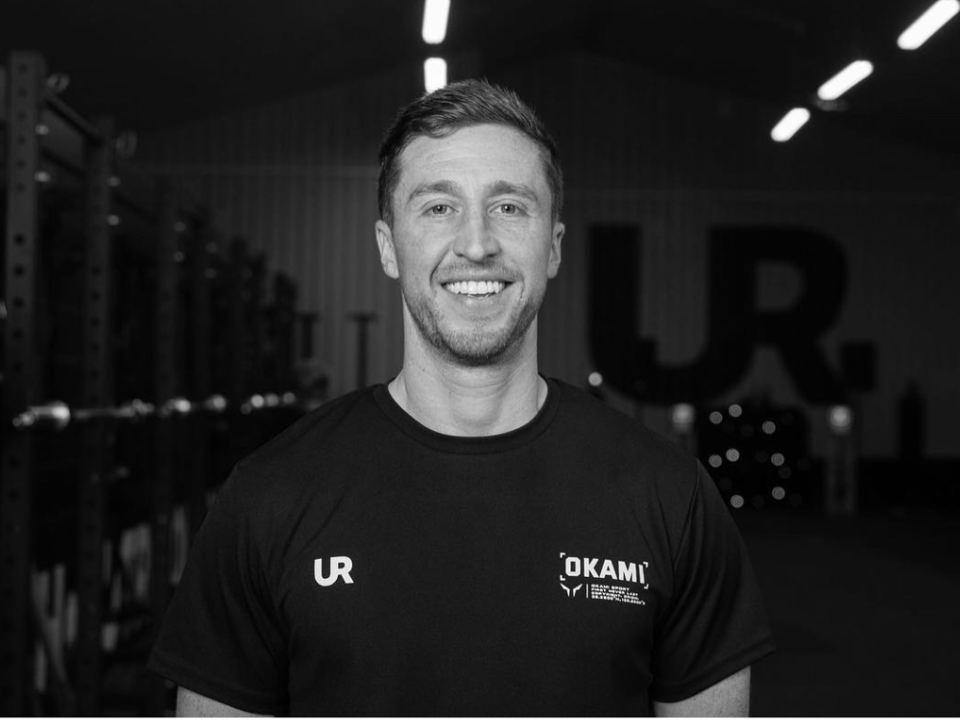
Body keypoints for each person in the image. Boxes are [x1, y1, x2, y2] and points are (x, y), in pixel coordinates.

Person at [148, 79, 775, 716]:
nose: (476, 244)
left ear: (553, 246)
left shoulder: (671, 498)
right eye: (438, 207)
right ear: (389, 247)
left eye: (509, 207)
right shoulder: (270, 497)